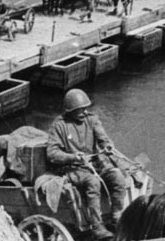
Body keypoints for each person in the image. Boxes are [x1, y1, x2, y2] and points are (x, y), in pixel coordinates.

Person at [47, 89, 128, 240]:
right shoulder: (59, 126)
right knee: (93, 182)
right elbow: (52, 153)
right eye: (80, 109)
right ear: (70, 110)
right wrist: (72, 157)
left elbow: (103, 139)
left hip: (94, 165)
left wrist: (108, 145)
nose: (84, 112)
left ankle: (117, 216)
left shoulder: (92, 120)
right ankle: (97, 226)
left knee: (117, 176)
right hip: (73, 168)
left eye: (85, 108)